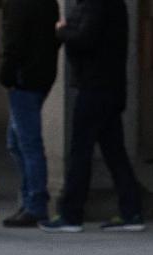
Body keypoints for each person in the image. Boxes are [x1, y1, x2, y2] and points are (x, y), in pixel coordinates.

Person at [39, 0, 146, 233]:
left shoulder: (95, 4)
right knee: (114, 152)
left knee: (81, 151)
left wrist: (62, 30)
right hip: (109, 86)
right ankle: (132, 211)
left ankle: (71, 214)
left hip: (95, 86)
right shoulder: (111, 5)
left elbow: (85, 38)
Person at [0, 0, 60, 227]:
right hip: (41, 75)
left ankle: (35, 203)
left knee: (27, 143)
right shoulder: (48, 3)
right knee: (17, 142)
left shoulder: (18, 4)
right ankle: (30, 200)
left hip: (24, 79)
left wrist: (7, 75)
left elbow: (14, 41)